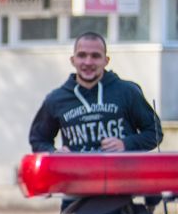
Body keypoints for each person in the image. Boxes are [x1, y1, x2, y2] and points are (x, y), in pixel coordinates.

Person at [27, 31, 162, 155]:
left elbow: (155, 133)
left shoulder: (128, 91)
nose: (88, 62)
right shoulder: (56, 99)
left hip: (122, 177)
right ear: (73, 60)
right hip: (77, 178)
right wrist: (54, 153)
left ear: (106, 60)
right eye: (82, 55)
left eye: (95, 56)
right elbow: (38, 140)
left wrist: (126, 144)